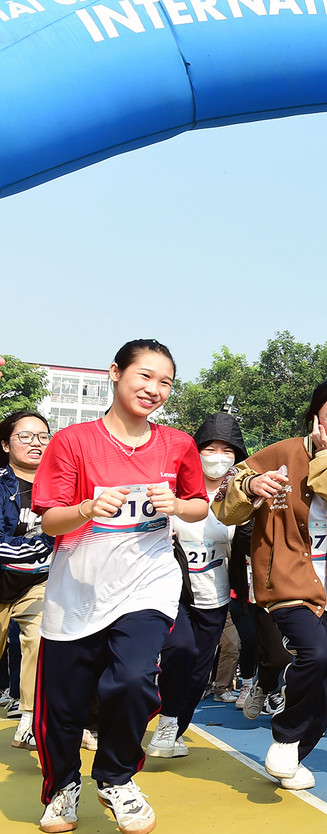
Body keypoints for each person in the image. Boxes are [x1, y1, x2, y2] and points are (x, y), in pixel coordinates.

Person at [32, 339, 209, 834]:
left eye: (166, 382)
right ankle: (62, 787)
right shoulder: (73, 442)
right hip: (78, 590)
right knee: (63, 705)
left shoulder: (177, 445)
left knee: (133, 679)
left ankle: (115, 777)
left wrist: (177, 505)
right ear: (115, 373)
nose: (155, 389)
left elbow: (199, 505)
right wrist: (88, 508)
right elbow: (50, 520)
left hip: (146, 585)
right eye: (145, 376)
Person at [215, 379, 327, 790]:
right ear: (315, 418)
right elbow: (224, 504)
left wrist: (326, 457)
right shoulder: (279, 453)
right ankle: (285, 734)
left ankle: (292, 754)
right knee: (315, 654)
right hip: (288, 576)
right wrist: (250, 487)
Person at [148, 412, 249, 759]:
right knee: (180, 650)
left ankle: (174, 729)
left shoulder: (242, 499)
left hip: (216, 597)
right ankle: (161, 719)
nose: (218, 457)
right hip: (171, 591)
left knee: (198, 671)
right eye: (210, 449)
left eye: (227, 450)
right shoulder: (173, 490)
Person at [1, 410, 55, 752]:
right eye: (25, 436)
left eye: (42, 436)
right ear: (6, 444)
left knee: (39, 637)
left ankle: (29, 719)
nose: (36, 443)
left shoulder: (61, 484)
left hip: (37, 583)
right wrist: (41, 546)